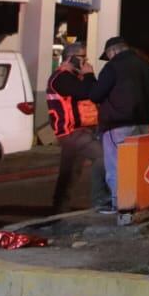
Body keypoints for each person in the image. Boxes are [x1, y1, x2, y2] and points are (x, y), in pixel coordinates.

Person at [87, 36, 149, 214]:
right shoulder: (147, 66)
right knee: (138, 166)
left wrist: (89, 76)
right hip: (143, 123)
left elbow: (96, 95)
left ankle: (121, 205)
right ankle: (140, 202)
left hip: (117, 124)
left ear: (113, 52)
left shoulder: (112, 67)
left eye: (108, 55)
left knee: (116, 166)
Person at [46, 42, 108, 213]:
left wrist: (88, 76)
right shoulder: (61, 77)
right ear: (71, 58)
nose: (85, 61)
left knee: (70, 172)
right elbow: (84, 92)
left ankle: (59, 209)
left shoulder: (74, 77)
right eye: (82, 57)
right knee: (102, 157)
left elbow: (94, 92)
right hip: (72, 131)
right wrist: (89, 75)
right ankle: (101, 200)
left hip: (79, 131)